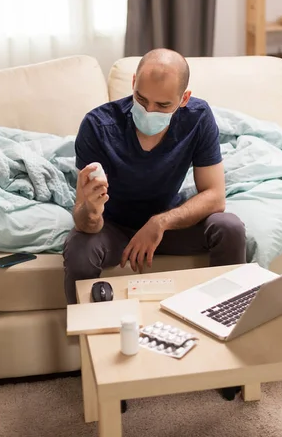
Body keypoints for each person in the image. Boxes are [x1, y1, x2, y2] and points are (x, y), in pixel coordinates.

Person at [63, 48, 246, 304]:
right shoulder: (97, 126)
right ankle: (86, 336)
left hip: (167, 223)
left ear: (184, 99)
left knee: (230, 228)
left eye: (162, 105)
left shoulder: (197, 117)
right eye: (141, 98)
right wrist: (92, 212)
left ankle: (227, 315)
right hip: (113, 226)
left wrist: (159, 223)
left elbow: (215, 197)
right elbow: (84, 221)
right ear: (134, 83)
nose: (149, 111)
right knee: (79, 249)